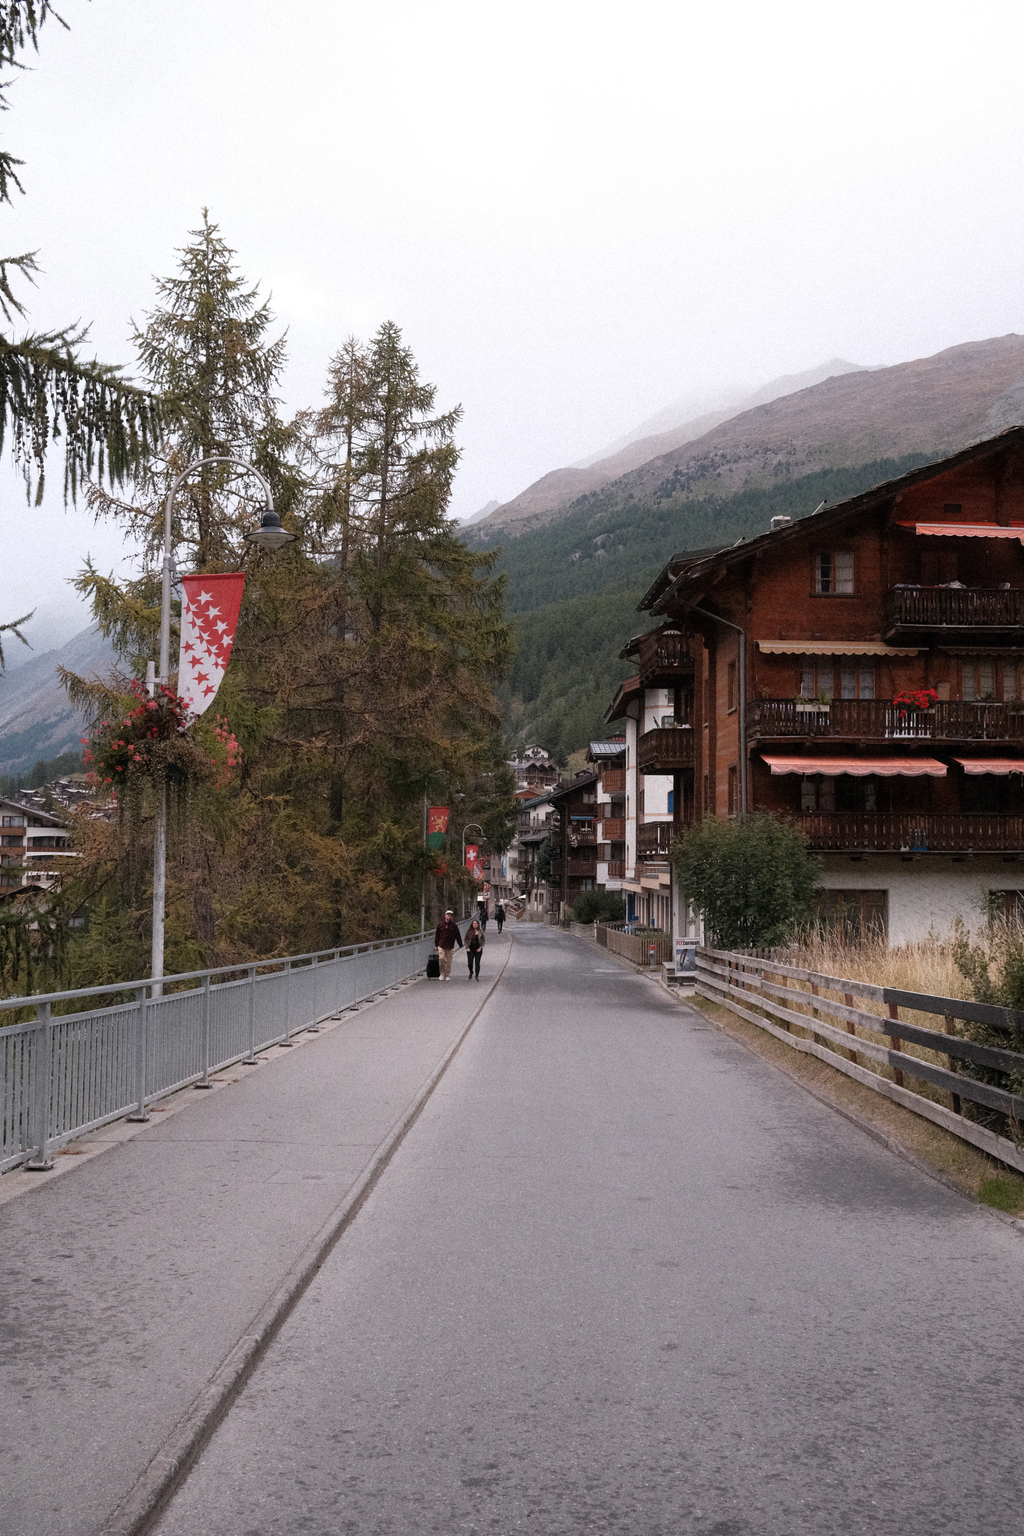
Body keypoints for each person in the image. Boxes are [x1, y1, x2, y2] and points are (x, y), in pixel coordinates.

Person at [433, 909, 463, 981]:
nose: (449, 917)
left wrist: (460, 944)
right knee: (442, 959)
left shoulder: (454, 926)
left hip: (450, 945)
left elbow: (457, 935)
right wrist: (436, 945)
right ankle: (442, 973)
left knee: (449, 961)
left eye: (450, 916)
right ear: (445, 915)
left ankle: (447, 974)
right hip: (441, 945)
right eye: (448, 915)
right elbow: (437, 935)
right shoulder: (440, 925)